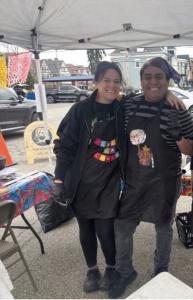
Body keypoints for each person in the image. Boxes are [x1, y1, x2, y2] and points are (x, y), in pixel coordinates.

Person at [109, 57, 193, 299]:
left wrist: (179, 136)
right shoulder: (130, 105)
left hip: (165, 181)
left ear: (167, 80)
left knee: (163, 227)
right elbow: (109, 96)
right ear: (141, 80)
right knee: (122, 226)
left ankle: (161, 271)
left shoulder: (178, 109)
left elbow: (190, 150)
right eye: (148, 77)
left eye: (159, 77)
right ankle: (125, 271)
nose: (153, 81)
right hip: (135, 179)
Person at [53, 61, 126, 293]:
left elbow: (151, 98)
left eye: (116, 81)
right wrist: (59, 179)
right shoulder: (80, 111)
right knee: (85, 228)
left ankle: (112, 268)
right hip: (82, 181)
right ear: (96, 82)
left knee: (105, 229)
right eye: (106, 80)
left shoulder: (123, 109)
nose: (111, 86)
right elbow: (64, 146)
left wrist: (170, 97)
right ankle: (92, 270)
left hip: (110, 181)